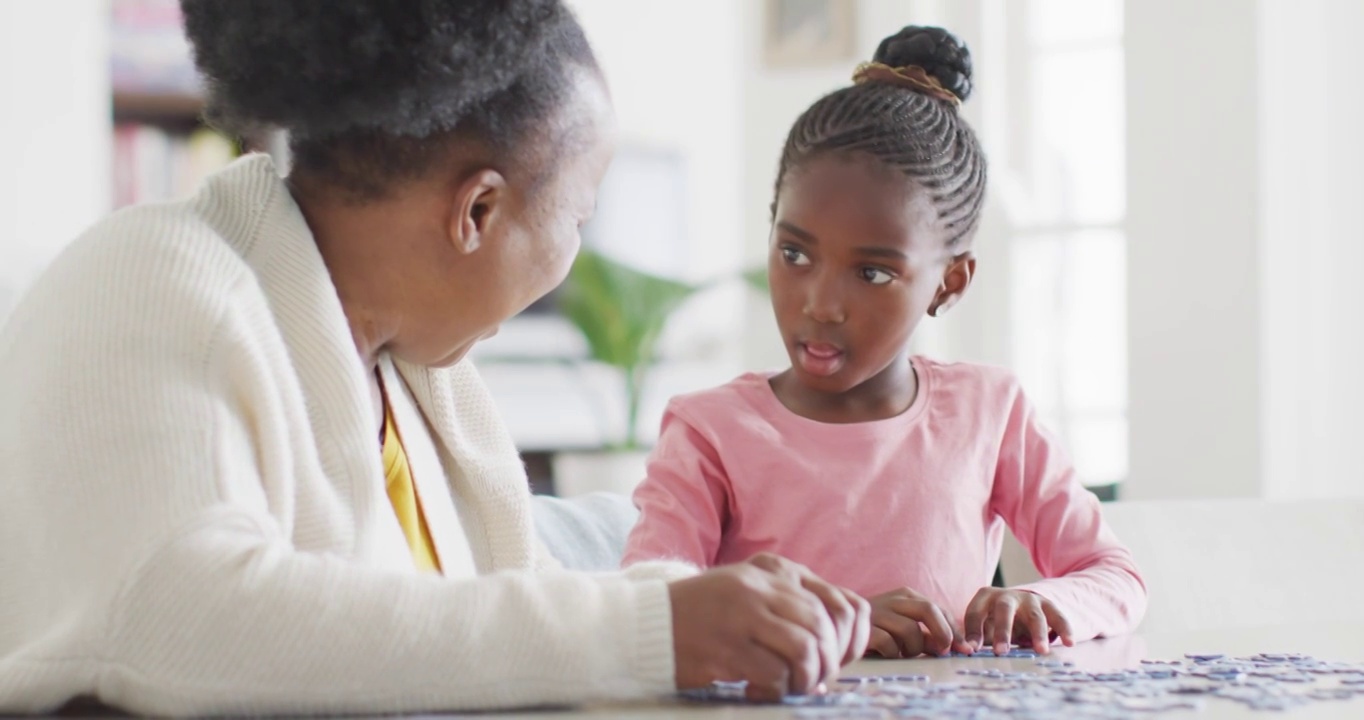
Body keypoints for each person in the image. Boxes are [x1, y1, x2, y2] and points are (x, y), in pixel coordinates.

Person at [0, 1, 877, 714]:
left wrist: (726, 603)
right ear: (478, 213)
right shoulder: (149, 276)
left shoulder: (423, 380)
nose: (575, 252)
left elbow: (497, 617)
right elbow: (181, 621)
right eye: (577, 218)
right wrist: (655, 626)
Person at [623, 25, 1147, 661]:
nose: (820, 303)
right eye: (794, 253)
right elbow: (646, 611)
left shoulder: (990, 410)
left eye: (871, 272)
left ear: (949, 283)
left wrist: (1045, 602)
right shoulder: (710, 431)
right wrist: (836, 621)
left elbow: (1115, 575)